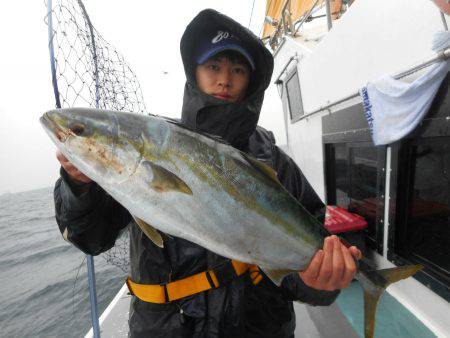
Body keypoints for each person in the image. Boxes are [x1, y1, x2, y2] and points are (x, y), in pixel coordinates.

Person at [54, 9, 361, 338]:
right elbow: (91, 238)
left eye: (238, 69)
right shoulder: (143, 152)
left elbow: (306, 264)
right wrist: (79, 187)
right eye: (213, 66)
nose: (224, 79)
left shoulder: (275, 162)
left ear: (250, 81)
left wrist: (318, 283)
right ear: (195, 73)